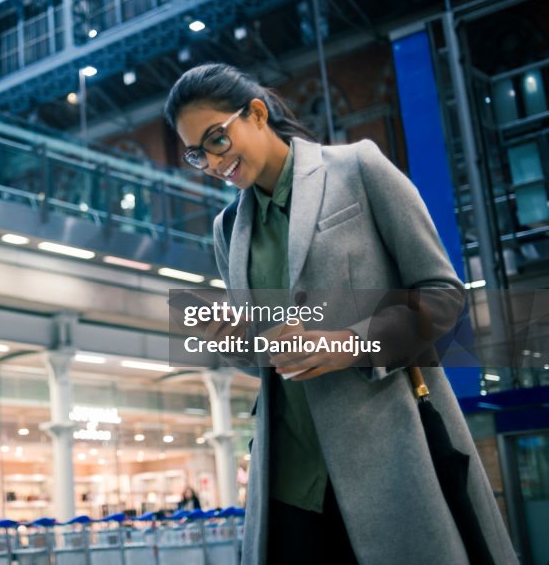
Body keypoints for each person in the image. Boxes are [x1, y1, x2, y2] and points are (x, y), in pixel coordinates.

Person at [164, 63, 518, 565]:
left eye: (217, 139)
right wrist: (235, 343)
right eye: (198, 154)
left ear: (257, 114)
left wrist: (350, 341)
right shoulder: (228, 230)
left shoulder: (357, 168)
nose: (214, 162)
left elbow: (444, 296)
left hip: (385, 463)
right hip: (287, 480)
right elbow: (270, 357)